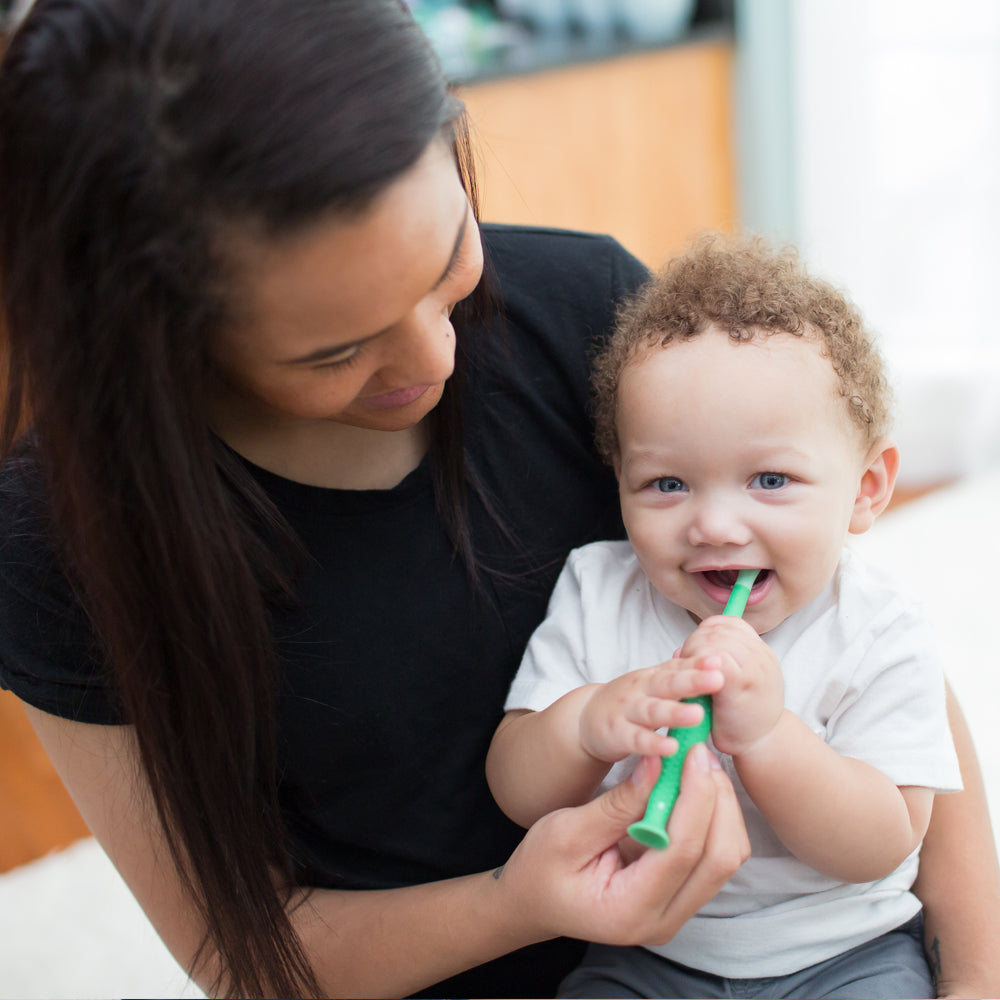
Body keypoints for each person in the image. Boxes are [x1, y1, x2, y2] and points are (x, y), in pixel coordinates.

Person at [0, 2, 995, 997]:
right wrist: (520, 900)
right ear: (154, 342)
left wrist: (974, 976)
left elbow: (876, 676)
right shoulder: (61, 537)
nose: (436, 356)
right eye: (335, 351)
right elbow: (250, 957)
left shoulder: (591, 316)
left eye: (447, 265)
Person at [485, 235, 968, 999]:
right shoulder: (598, 591)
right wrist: (585, 726)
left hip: (844, 957)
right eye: (666, 483)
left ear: (868, 488)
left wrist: (770, 736)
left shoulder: (878, 626)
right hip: (645, 954)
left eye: (770, 479)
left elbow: (883, 841)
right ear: (618, 481)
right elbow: (514, 787)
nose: (714, 525)